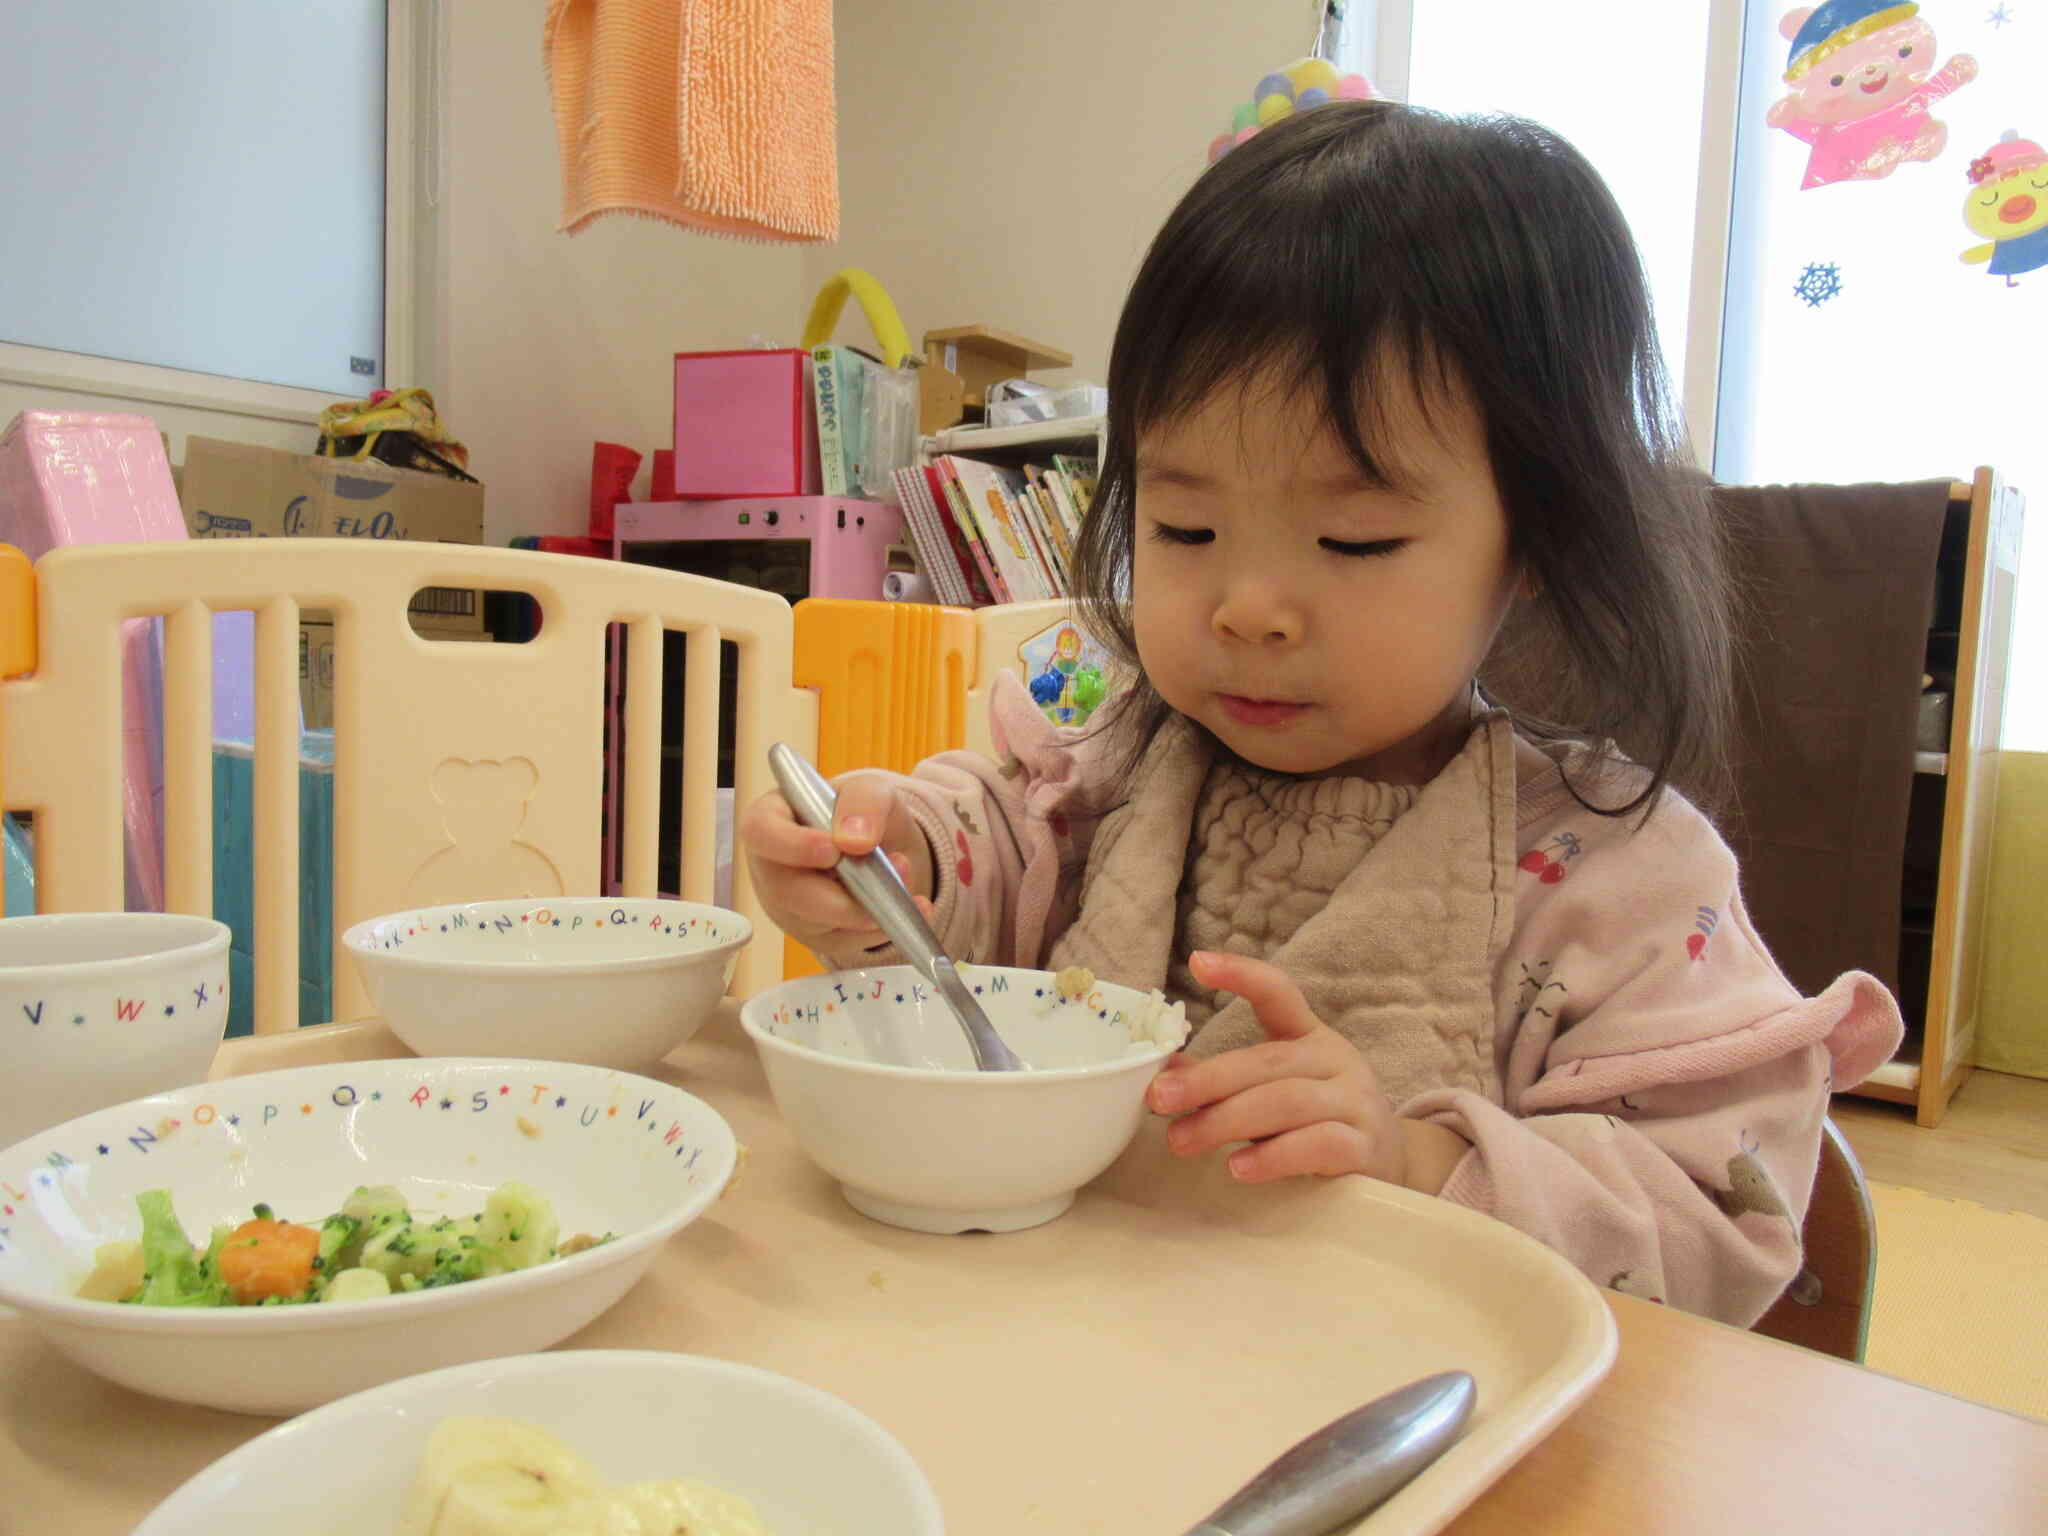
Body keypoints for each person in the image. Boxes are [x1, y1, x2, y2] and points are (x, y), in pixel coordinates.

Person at [739, 100, 1902, 1326]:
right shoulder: (1116, 748)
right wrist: (902, 859)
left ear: (1532, 545)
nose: (1245, 608)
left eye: (1353, 538)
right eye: (1183, 528)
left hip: (1410, 1414)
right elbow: (1002, 854)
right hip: (1080, 1333)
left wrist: (1414, 1165)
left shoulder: (1619, 876)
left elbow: (1717, 1219)